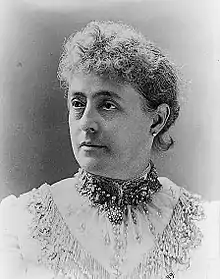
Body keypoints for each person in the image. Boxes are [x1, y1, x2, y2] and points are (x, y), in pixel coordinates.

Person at [0, 20, 219, 279]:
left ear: (157, 120)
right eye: (78, 103)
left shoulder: (207, 226)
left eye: (107, 105)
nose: (86, 123)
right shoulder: (20, 222)